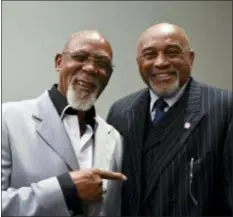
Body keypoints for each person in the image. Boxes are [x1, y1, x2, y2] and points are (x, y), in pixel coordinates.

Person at [107, 22, 233, 216]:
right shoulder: (121, 112)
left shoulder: (224, 107)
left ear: (190, 58)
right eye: (150, 55)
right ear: (139, 62)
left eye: (172, 52)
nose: (161, 63)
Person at [2, 30, 127, 216]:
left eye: (102, 64)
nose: (90, 68)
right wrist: (65, 190)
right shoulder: (7, 119)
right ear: (59, 62)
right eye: (80, 57)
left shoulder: (113, 138)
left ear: (108, 75)